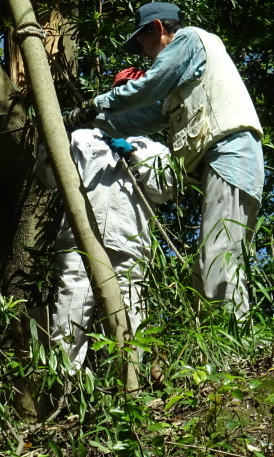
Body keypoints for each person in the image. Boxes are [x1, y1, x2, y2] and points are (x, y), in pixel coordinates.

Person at [65, 2, 264, 320]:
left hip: (231, 155)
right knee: (212, 260)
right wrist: (91, 122)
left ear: (157, 28)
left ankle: (237, 354)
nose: (143, 54)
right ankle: (226, 347)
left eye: (142, 42)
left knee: (218, 257)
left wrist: (95, 104)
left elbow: (147, 86)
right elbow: (145, 116)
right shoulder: (183, 84)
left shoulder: (190, 40)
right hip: (223, 160)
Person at [37, 68, 174, 369]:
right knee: (69, 315)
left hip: (129, 243)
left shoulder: (155, 149)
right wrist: (49, 138)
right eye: (125, 90)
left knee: (129, 320)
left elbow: (164, 191)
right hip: (80, 237)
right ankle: (63, 389)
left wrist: (134, 155)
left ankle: (130, 396)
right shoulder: (82, 137)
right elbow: (48, 177)